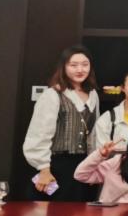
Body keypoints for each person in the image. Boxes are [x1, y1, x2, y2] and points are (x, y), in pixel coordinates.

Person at [23, 45, 101, 201]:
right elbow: (39, 134)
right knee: (56, 210)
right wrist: (44, 169)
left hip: (84, 165)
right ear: (64, 67)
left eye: (85, 64)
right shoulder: (53, 95)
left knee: (81, 211)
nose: (80, 69)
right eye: (73, 65)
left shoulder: (93, 94)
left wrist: (94, 164)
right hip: (56, 165)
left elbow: (94, 134)